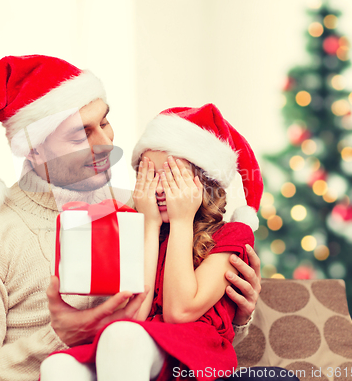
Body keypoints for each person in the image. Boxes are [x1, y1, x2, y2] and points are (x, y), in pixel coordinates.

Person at [0, 55, 261, 381]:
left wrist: (236, 311)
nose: (106, 144)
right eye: (80, 136)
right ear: (33, 149)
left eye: (105, 122)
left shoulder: (145, 207)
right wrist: (60, 337)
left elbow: (181, 333)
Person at [40, 103, 264, 381]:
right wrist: (148, 224)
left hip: (193, 356)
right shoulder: (139, 228)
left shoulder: (232, 235)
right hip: (136, 347)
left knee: (122, 335)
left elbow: (179, 312)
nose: (158, 188)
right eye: (149, 175)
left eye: (171, 176)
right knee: (58, 366)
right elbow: (136, 313)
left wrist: (182, 221)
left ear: (204, 182)